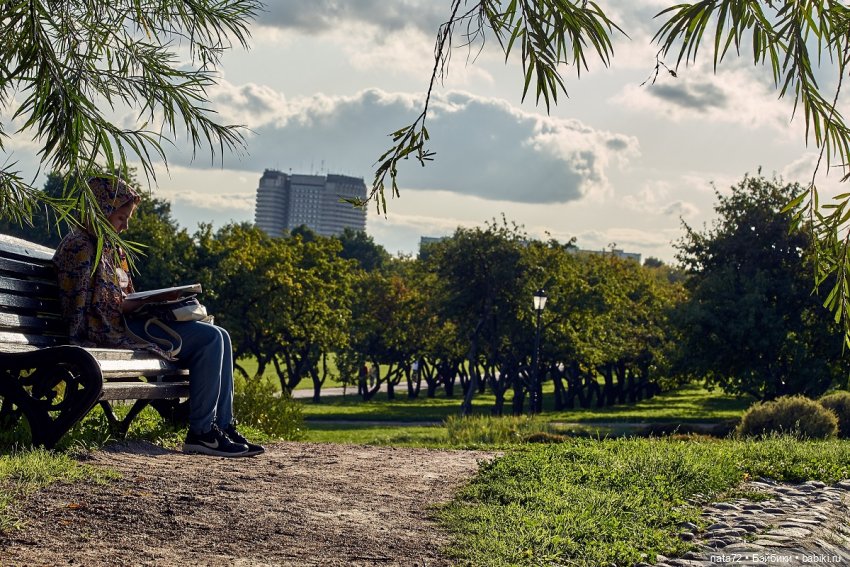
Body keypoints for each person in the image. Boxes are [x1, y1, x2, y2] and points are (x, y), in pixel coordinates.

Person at [53, 176, 264, 458]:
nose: (125, 225)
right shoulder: (80, 246)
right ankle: (201, 433)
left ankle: (222, 426)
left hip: (129, 323)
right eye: (120, 217)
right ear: (100, 211)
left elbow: (122, 293)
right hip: (108, 331)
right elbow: (78, 307)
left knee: (221, 335)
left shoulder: (110, 248)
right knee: (211, 339)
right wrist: (127, 306)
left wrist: (152, 301)